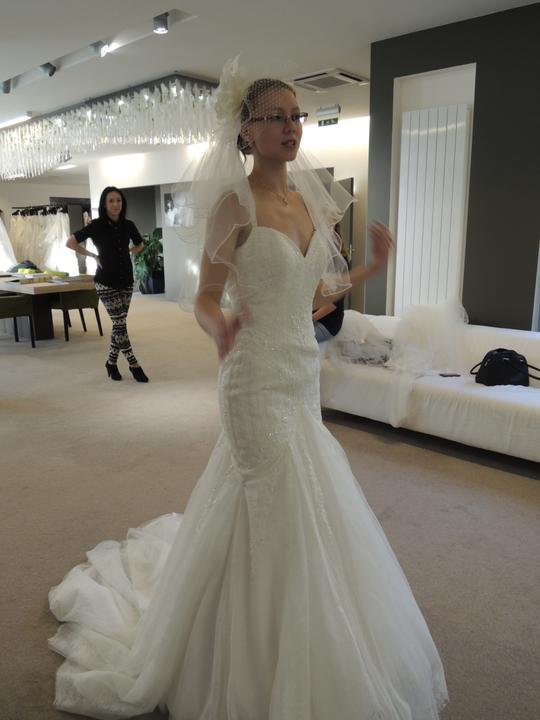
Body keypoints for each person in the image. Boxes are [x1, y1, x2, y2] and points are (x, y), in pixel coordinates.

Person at [48, 61, 448, 719]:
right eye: (276, 118)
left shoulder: (310, 204)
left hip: (299, 375)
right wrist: (219, 325)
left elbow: (315, 293)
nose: (291, 127)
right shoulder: (234, 204)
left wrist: (371, 268)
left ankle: (303, 636)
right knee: (272, 499)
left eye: (296, 116)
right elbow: (206, 296)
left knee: (308, 497)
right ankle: (254, 655)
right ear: (246, 132)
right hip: (253, 378)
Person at [65, 186, 149, 382]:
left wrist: (129, 252)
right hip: (105, 281)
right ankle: (134, 363)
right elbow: (71, 242)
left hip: (126, 280)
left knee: (119, 324)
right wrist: (93, 255)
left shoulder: (128, 225)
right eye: (111, 201)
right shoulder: (96, 225)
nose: (115, 204)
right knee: (119, 323)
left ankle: (111, 363)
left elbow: (140, 244)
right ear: (104, 204)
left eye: (118, 200)